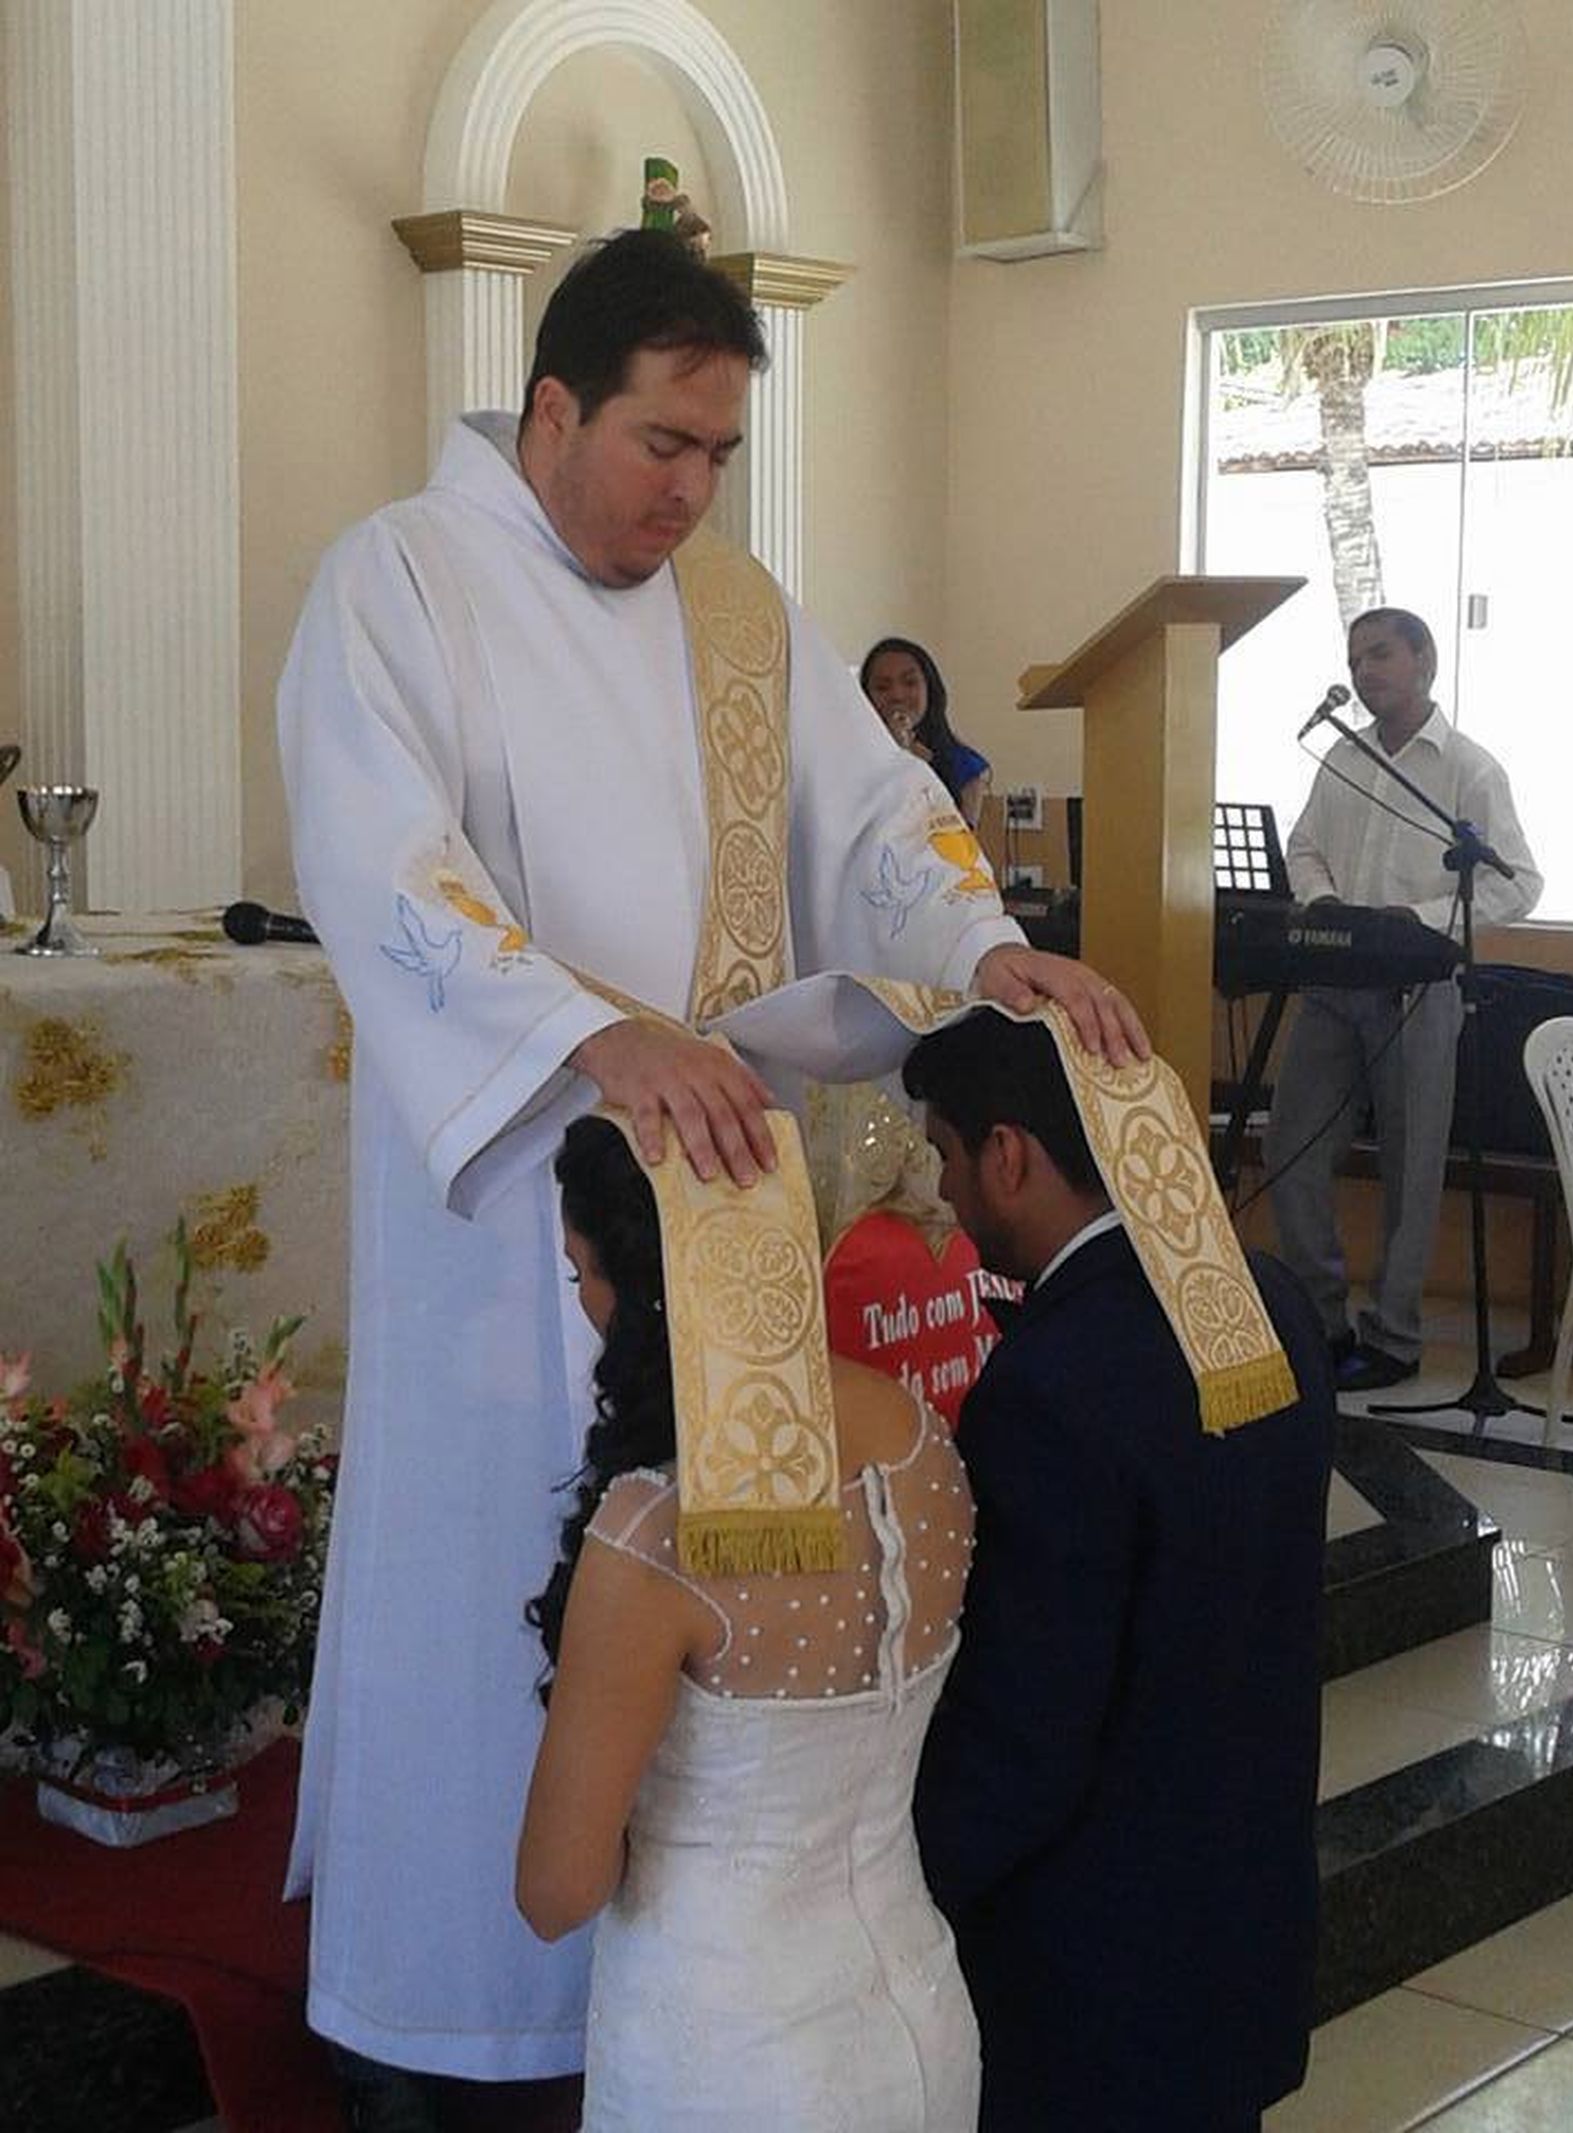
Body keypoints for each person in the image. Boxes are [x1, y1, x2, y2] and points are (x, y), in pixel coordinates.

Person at [277, 227, 1145, 2123]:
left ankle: (671, 2008)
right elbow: (377, 855)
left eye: (719, 455)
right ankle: (465, 2009)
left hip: (725, 1193)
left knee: (690, 1579)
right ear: (553, 407)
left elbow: (880, 815)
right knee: (495, 1573)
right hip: (512, 1216)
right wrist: (591, 1038)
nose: (689, 491)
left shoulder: (736, 613)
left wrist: (986, 947)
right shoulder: (401, 579)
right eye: (660, 443)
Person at [905, 1010, 1334, 2133]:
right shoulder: (1269, 1302)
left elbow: (1025, 1734)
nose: (942, 1192)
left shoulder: (1049, 1387)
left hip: (1096, 1979)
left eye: (945, 1153)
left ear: (1008, 1154)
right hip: (1242, 1926)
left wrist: (902, 1886)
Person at [515, 1113, 979, 2130]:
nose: (583, 1302)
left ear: (644, 1290)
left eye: (582, 1274)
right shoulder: (916, 1437)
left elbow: (557, 1889)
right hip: (919, 2015)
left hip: (725, 2052)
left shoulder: (654, 1533)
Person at [1264, 607, 1542, 1392]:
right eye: (1355, 658)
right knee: (1290, 1149)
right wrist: (1324, 903)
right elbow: (1304, 846)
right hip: (1333, 985)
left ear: (1424, 660)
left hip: (1418, 992)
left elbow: (1518, 881)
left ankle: (1394, 1337)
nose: (1364, 671)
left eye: (1380, 654)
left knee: (1411, 1169)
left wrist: (1415, 918)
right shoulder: (1342, 757)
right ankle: (1323, 1324)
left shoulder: (1468, 768)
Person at [861, 637, 992, 828]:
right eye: (882, 687)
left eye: (910, 682)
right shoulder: (851, 760)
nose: (897, 695)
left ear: (929, 689)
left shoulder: (965, 765)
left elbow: (958, 841)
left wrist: (915, 767)